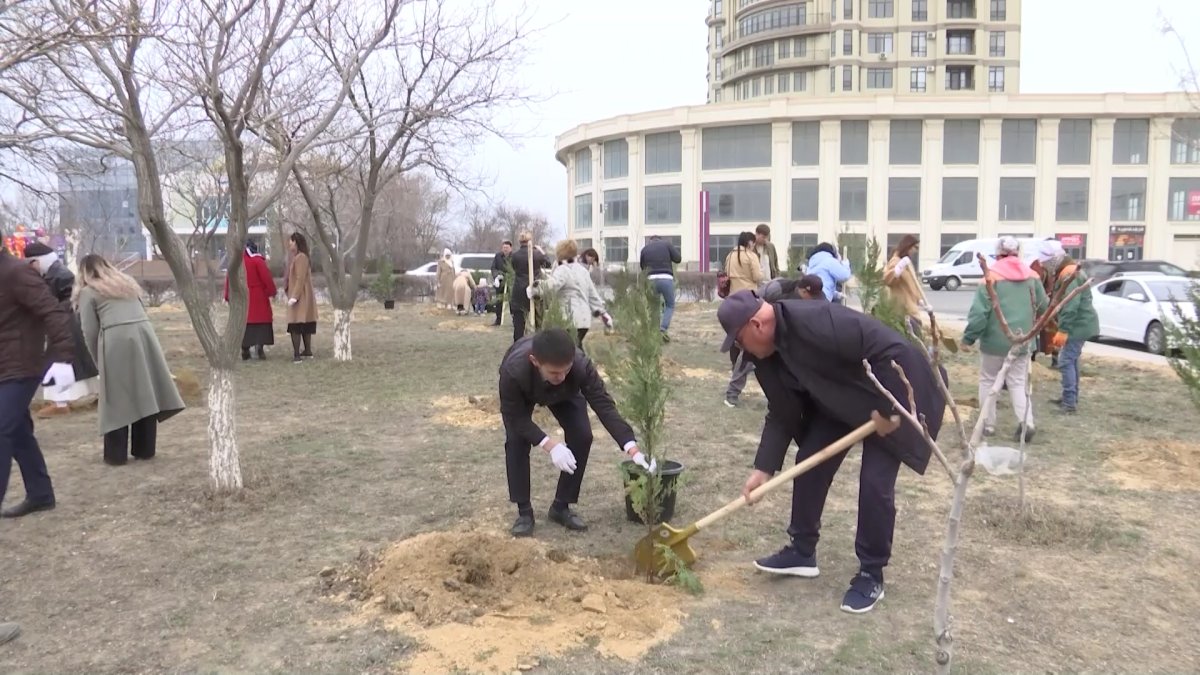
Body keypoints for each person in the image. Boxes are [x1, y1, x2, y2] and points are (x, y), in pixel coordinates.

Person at [718, 290, 945, 614]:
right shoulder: (766, 354)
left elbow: (888, 351)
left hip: (893, 390)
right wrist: (763, 469)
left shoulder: (817, 321)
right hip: (840, 399)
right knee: (810, 461)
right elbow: (781, 412)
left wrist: (891, 411)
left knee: (874, 482)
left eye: (739, 340)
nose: (741, 349)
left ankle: (871, 572)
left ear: (756, 324)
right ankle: (802, 551)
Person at [499, 329, 654, 537]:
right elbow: (514, 417)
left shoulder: (580, 366)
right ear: (535, 361)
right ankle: (524, 512)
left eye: (566, 370)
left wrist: (631, 447)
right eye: (554, 372)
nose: (561, 376)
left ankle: (561, 507)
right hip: (524, 392)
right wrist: (549, 444)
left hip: (566, 395)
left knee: (582, 435)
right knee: (517, 441)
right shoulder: (513, 371)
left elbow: (603, 405)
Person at [75, 255, 185, 466]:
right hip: (144, 336)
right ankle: (145, 449)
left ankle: (116, 455)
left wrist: (99, 360)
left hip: (116, 340)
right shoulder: (126, 284)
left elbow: (88, 330)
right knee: (145, 391)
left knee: (116, 397)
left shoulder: (88, 292)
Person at [0, 239, 75, 518]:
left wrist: (64, 357)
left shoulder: (17, 272)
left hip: (20, 367)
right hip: (3, 368)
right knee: (18, 433)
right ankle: (40, 494)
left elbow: (53, 311)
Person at [961, 237, 1048, 442]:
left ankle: (987, 425)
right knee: (1018, 383)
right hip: (1022, 341)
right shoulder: (1032, 276)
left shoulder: (990, 277)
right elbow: (1044, 307)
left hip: (994, 341)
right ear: (1018, 253)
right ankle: (1027, 423)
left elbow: (979, 313)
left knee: (989, 381)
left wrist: (968, 338)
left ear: (998, 254)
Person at [24, 242, 99, 418]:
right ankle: (66, 400)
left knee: (56, 362)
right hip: (65, 323)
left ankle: (60, 403)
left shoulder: (60, 275)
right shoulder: (53, 274)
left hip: (66, 324)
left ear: (37, 261)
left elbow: (70, 299)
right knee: (74, 363)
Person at [1036, 240, 1098, 414]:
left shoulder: (1069, 274)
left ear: (1054, 259)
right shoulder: (1066, 270)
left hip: (1078, 325)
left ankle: (1069, 403)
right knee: (1072, 360)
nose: (1043, 265)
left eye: (1045, 262)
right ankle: (1070, 397)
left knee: (1065, 361)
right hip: (1079, 324)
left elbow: (1070, 305)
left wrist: (1063, 330)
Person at [539, 240, 610, 350]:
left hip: (569, 318)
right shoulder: (583, 271)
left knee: (567, 350)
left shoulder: (563, 269)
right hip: (584, 320)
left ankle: (580, 366)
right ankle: (583, 366)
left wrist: (534, 289)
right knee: (576, 348)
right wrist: (603, 313)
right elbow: (592, 295)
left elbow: (551, 285)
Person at [722, 232, 764, 408]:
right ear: (749, 242)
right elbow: (757, 277)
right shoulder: (750, 256)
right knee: (749, 348)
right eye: (753, 243)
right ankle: (732, 391)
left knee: (736, 339)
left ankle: (735, 367)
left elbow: (726, 274)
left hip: (732, 300)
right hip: (749, 301)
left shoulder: (730, 255)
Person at [224, 240, 277, 361]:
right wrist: (271, 291)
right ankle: (260, 347)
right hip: (258, 297)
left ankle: (245, 349)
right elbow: (266, 278)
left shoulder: (235, 262)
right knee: (261, 322)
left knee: (244, 324)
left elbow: (229, 279)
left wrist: (227, 295)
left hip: (241, 297)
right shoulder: (258, 261)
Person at [639, 235, 681, 341]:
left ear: (650, 241)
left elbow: (643, 267)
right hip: (666, 278)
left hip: (650, 279)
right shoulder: (666, 245)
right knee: (670, 305)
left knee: (653, 307)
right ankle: (662, 329)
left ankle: (654, 333)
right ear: (660, 239)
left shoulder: (645, 249)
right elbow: (678, 259)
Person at [510, 233, 550, 342]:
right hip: (534, 288)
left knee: (519, 323)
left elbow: (514, 267)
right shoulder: (537, 254)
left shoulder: (515, 255)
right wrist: (542, 252)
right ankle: (537, 342)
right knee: (537, 318)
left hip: (519, 289)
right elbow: (548, 263)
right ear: (530, 241)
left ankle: (517, 344)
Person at [883, 235, 926, 338]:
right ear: (908, 246)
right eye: (915, 248)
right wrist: (897, 270)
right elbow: (887, 280)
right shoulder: (896, 261)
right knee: (913, 338)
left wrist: (920, 299)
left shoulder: (907, 262)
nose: (916, 251)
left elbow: (912, 284)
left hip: (911, 307)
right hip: (903, 310)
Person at [285, 233, 318, 363]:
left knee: (295, 324)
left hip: (301, 297)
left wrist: (294, 296)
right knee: (304, 323)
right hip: (302, 296)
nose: (289, 244)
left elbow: (300, 278)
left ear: (296, 242)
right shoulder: (298, 257)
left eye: (291, 241)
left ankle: (297, 355)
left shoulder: (301, 258)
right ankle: (307, 351)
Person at [489, 241, 513, 326]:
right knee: (499, 301)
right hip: (500, 281)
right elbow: (493, 268)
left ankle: (514, 319)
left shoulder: (514, 257)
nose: (505, 249)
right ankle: (498, 319)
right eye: (504, 248)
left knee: (512, 301)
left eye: (507, 248)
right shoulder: (498, 256)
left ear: (511, 248)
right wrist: (496, 276)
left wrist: (510, 276)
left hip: (511, 282)